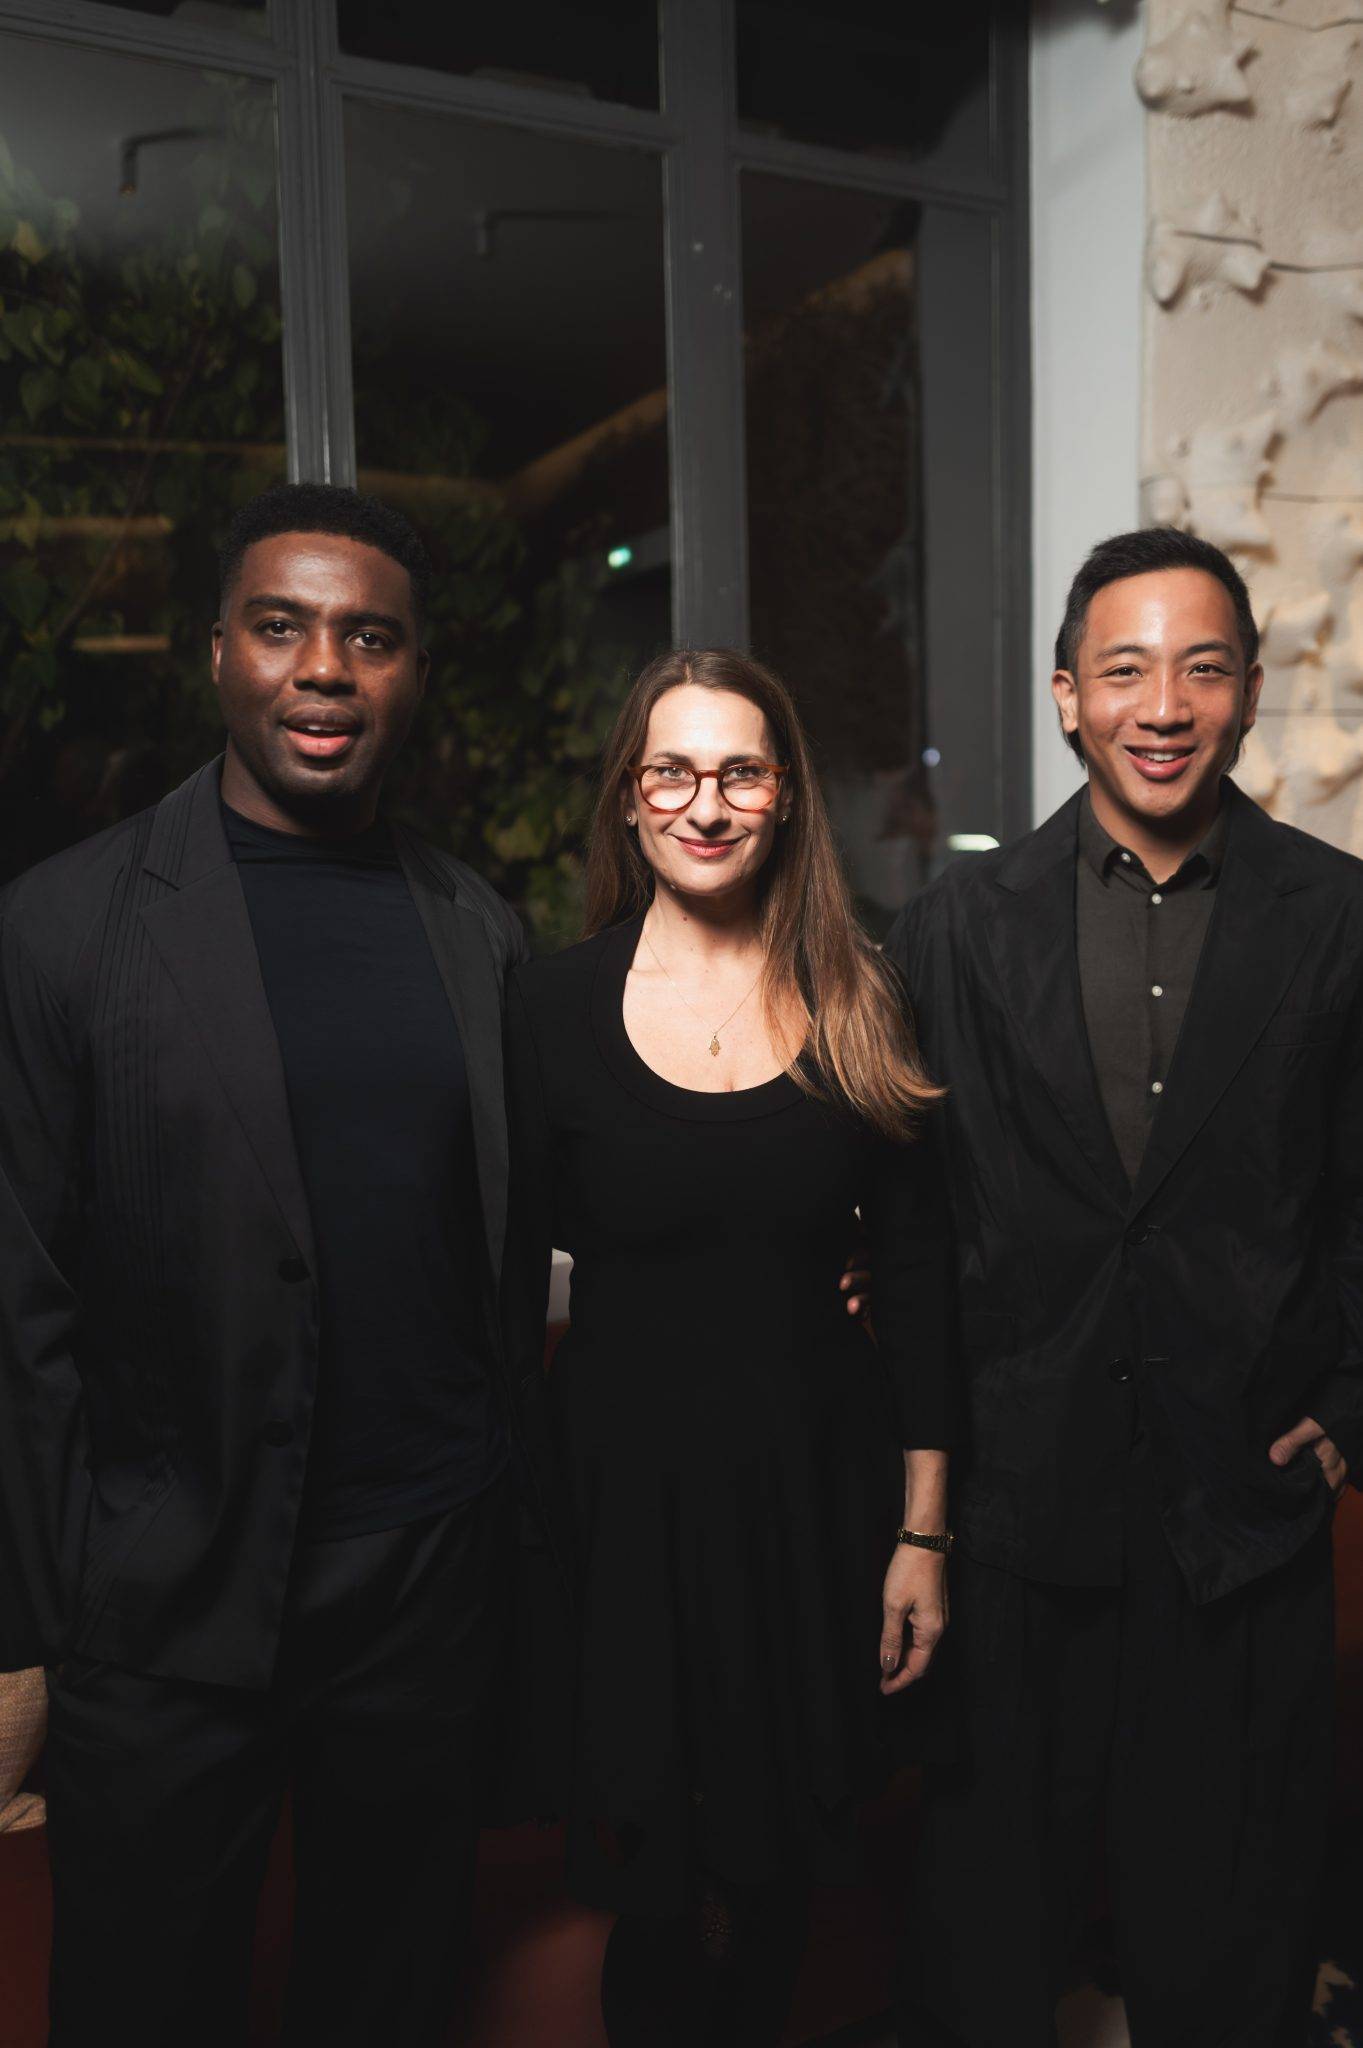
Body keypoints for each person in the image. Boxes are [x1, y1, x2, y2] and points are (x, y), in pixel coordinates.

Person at [0, 483, 546, 2045]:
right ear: (216, 656)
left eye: (369, 637)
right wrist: (40, 1624)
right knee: (142, 2002)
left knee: (390, 1993)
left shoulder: (478, 930)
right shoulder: (64, 928)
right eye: (283, 627)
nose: (325, 668)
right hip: (169, 1599)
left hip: (425, 1586)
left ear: (413, 673)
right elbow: (18, 1308)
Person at [889, 526, 1363, 2047]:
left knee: (1229, 1957)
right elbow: (913, 1213)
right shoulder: (955, 928)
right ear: (1066, 696)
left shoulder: (1342, 918)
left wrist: (1353, 1404)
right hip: (1018, 1524)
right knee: (990, 1950)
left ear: (1249, 693)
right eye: (1126, 668)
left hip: (1243, 1528)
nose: (1165, 703)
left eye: (1203, 668)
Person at [502, 647, 957, 2048]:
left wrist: (923, 1534)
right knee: (645, 1915)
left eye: (741, 770)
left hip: (812, 1509)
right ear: (630, 802)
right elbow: (507, 1289)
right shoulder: (546, 1012)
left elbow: (928, 1274)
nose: (708, 802)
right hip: (619, 1522)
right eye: (675, 772)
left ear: (785, 797)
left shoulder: (863, 1001)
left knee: (782, 1905)